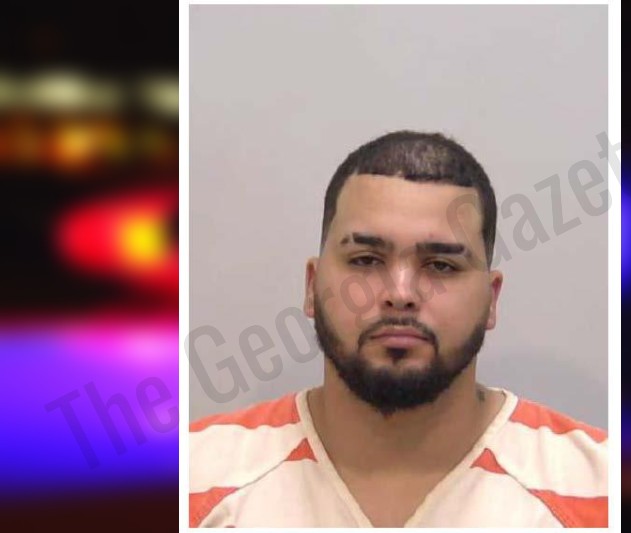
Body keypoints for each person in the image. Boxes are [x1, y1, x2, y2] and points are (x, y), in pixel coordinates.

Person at [189, 131, 608, 527]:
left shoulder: (602, 486)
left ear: (491, 299)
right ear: (312, 287)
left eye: (441, 265)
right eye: (366, 260)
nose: (400, 293)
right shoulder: (191, 474)